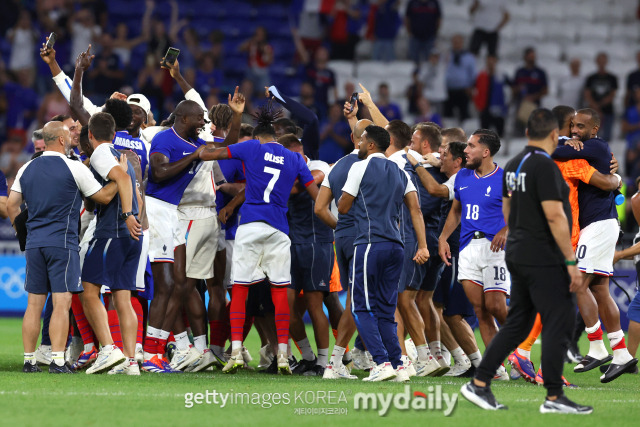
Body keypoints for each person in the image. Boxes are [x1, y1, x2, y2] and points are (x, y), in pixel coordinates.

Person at [461, 108, 593, 414]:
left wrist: (519, 235)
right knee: (558, 319)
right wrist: (571, 262)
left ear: (525, 134)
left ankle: (479, 384)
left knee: (518, 323)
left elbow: (507, 210)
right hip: (543, 256)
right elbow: (555, 215)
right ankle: (554, 397)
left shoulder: (513, 164)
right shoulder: (545, 167)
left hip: (517, 252)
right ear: (552, 135)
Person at [199, 96, 320, 375]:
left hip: (251, 226)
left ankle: (237, 352)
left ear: (257, 134)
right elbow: (316, 196)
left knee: (240, 289)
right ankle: (281, 355)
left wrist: (234, 118)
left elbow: (210, 155)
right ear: (278, 133)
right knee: (279, 293)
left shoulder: (251, 147)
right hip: (280, 230)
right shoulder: (295, 158)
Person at [6, 120, 119, 374]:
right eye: (68, 135)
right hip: (62, 243)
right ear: (59, 140)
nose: (71, 139)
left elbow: (13, 205)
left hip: (35, 244)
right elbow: (101, 197)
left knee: (34, 304)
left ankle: (29, 360)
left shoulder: (27, 167)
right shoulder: (74, 167)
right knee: (61, 303)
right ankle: (57, 360)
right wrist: (120, 176)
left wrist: (22, 233)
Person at [338, 125, 429, 382]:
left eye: (362, 139)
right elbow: (415, 210)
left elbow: (343, 206)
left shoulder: (360, 167)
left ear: (370, 145)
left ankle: (380, 363)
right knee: (386, 311)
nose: (359, 144)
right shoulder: (401, 172)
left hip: (369, 243)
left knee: (361, 307)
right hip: (397, 246)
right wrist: (422, 246)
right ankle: (399, 365)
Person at [552, 109, 638, 382]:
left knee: (577, 282)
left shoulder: (596, 147)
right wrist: (566, 142)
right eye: (573, 126)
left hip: (598, 225)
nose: (576, 131)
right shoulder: (588, 150)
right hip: (602, 225)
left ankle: (598, 347)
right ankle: (622, 353)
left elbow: (554, 152)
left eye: (581, 127)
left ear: (595, 128)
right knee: (600, 290)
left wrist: (564, 143)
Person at [141, 100, 209, 373]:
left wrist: (237, 117)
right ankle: (150, 353)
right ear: (184, 118)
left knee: (178, 284)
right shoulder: (164, 138)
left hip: (173, 214)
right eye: (199, 118)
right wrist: (193, 157)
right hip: (156, 209)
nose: (203, 123)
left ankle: (164, 351)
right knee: (165, 284)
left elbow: (225, 147)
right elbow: (158, 173)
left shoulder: (195, 143)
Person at [438, 129, 510, 380]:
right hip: (468, 249)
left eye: (471, 146)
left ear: (486, 152)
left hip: (495, 248)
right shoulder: (463, 177)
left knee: (496, 306)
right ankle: (497, 368)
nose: (465, 150)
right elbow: (456, 211)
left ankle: (521, 350)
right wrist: (443, 238)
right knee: (481, 311)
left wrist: (505, 229)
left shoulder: (504, 178)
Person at [81, 112, 143, 375]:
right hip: (132, 236)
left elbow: (124, 180)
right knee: (122, 297)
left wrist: (127, 215)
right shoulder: (121, 154)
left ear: (91, 136)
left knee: (88, 290)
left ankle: (107, 349)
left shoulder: (100, 154)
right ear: (115, 133)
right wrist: (136, 218)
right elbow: (133, 188)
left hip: (113, 232)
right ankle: (130, 362)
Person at [584, 53, 618, 142]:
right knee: (591, 138)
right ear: (597, 62)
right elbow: (587, 94)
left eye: (603, 60)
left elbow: (612, 95)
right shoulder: (591, 78)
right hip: (593, 113)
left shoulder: (612, 78)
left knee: (606, 139)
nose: (602, 62)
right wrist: (595, 107)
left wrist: (599, 105)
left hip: (608, 112)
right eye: (600, 60)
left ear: (606, 62)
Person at [474, 54, 508, 137]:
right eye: (489, 61)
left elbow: (510, 88)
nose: (491, 63)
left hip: (498, 108)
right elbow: (474, 89)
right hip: (485, 108)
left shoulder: (501, 75)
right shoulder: (482, 75)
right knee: (484, 134)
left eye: (492, 61)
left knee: (500, 132)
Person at [445, 35, 476, 123]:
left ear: (462, 43)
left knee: (464, 114)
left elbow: (473, 73)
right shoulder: (447, 55)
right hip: (449, 89)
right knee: (448, 114)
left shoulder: (469, 57)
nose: (456, 44)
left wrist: (471, 86)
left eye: (458, 42)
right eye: (454, 42)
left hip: (463, 89)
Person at [404, 0, 441, 67]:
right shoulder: (412, 3)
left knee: (429, 61)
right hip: (415, 37)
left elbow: (438, 18)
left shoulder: (434, 3)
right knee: (413, 60)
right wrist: (409, 32)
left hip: (429, 37)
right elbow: (407, 18)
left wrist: (435, 32)